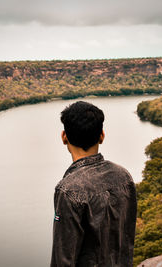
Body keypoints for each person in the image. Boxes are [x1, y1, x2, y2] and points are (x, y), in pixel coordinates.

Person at [51, 101, 137, 267]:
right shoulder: (124, 176)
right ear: (102, 136)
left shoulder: (68, 190)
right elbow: (127, 239)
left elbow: (62, 259)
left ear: (64, 137)